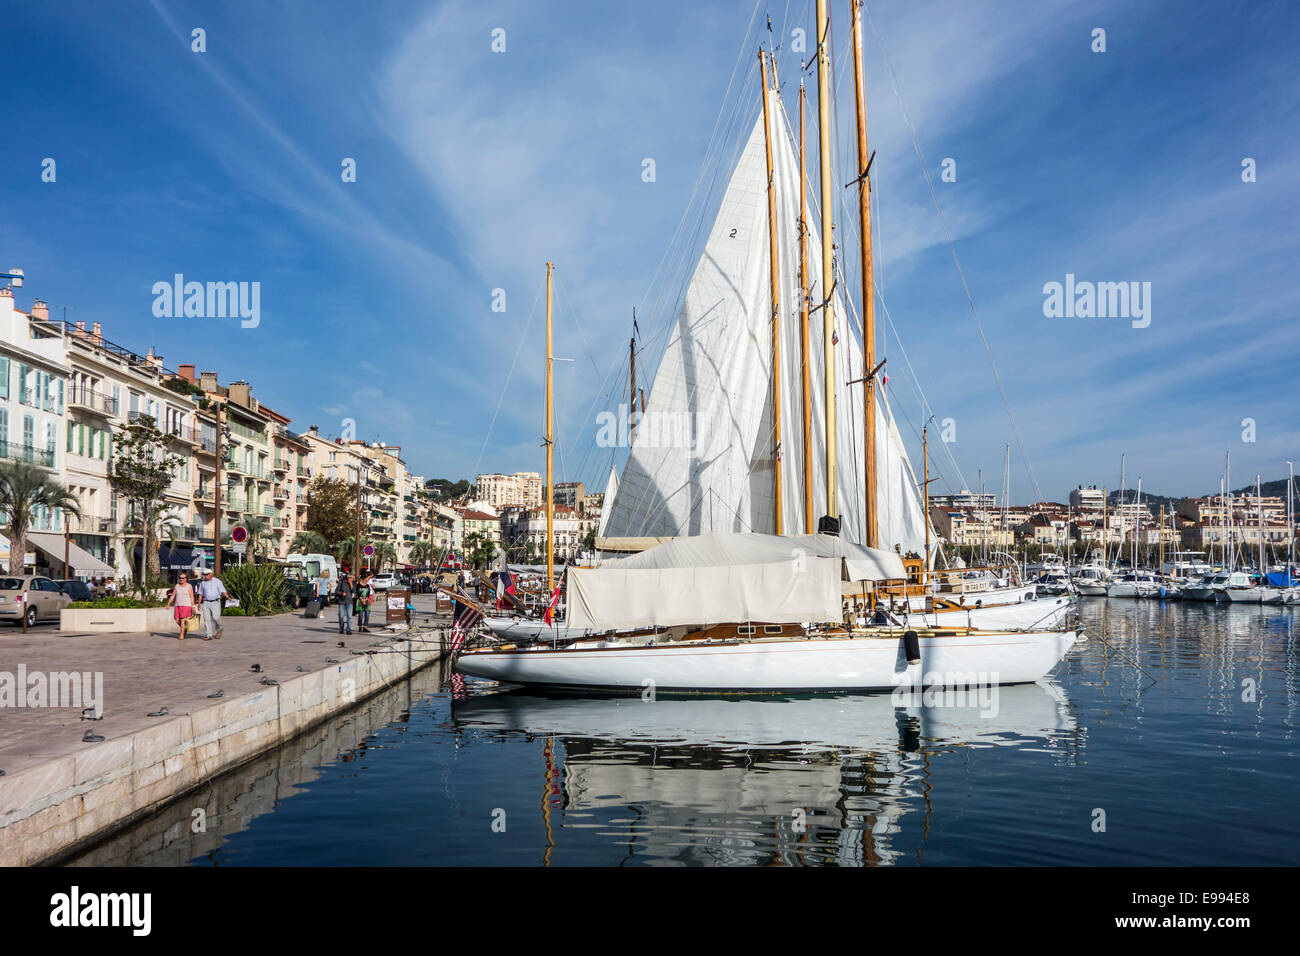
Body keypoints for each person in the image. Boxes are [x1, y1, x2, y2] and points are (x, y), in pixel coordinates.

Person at [197, 568, 229, 640]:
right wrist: (199, 603)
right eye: (204, 575)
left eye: (206, 575)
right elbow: (200, 594)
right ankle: (209, 634)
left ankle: (220, 628)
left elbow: (223, 591)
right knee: (207, 619)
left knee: (216, 617)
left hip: (215, 602)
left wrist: (228, 598)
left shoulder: (217, 581)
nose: (205, 576)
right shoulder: (202, 583)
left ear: (211, 574)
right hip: (205, 602)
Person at [167, 572, 197, 641]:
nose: (181, 579)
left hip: (186, 605)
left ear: (186, 579)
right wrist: (168, 603)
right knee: (177, 620)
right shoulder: (177, 586)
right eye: (180, 578)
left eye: (183, 578)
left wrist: (193, 607)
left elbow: (192, 597)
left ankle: (181, 634)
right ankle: (184, 629)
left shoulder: (189, 586)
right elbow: (173, 595)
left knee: (183, 620)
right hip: (177, 605)